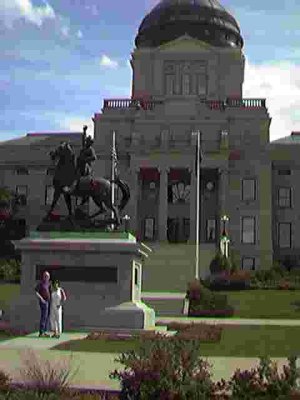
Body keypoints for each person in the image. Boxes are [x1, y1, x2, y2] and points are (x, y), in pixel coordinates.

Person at [35, 271, 52, 337]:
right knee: (44, 316)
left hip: (48, 301)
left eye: (48, 276)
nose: (46, 277)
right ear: (43, 276)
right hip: (43, 302)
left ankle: (45, 331)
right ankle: (41, 332)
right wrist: (41, 299)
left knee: (47, 316)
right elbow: (36, 292)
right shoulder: (40, 283)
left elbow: (50, 292)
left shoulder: (48, 284)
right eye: (45, 276)